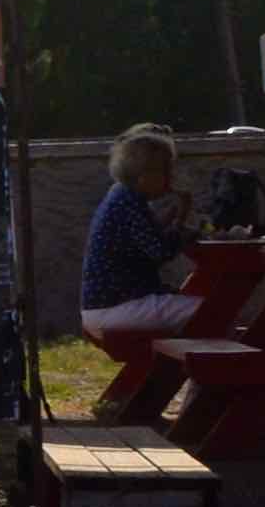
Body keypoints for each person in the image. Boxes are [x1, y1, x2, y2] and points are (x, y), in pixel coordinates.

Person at [76, 127, 206, 348]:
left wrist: (173, 217)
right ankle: (207, 374)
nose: (170, 178)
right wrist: (180, 221)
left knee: (198, 307)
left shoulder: (121, 195)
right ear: (146, 175)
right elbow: (160, 251)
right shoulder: (130, 203)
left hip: (107, 306)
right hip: (117, 307)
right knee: (210, 310)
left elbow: (144, 236)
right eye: (166, 171)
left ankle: (195, 373)